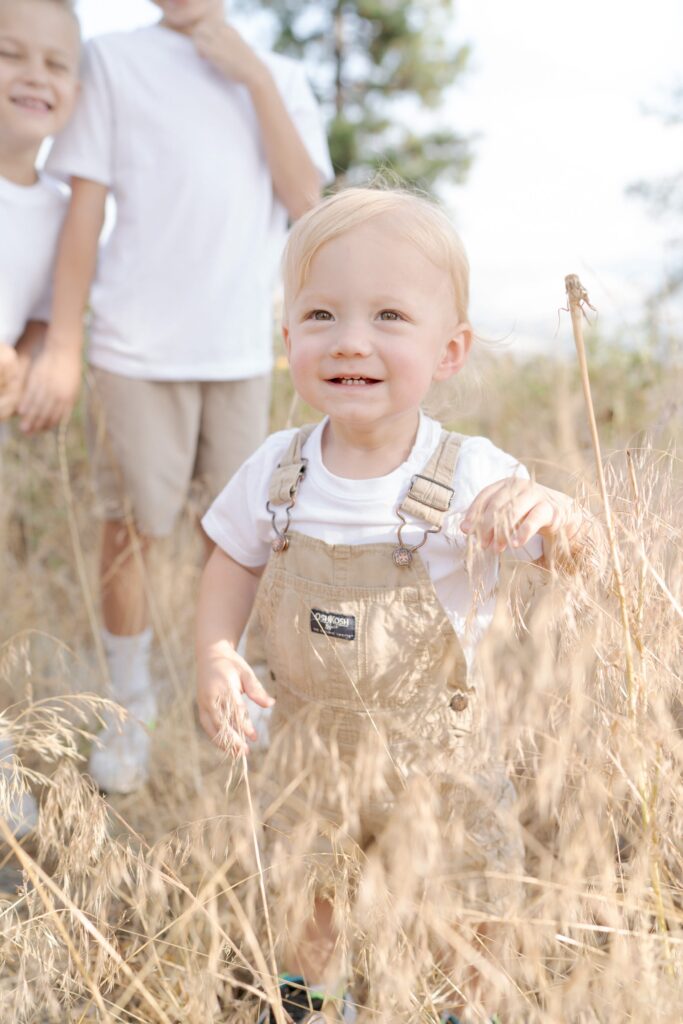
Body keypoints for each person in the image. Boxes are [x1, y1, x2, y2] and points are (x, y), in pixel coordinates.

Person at [195, 187, 603, 1023]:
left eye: (388, 315)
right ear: (287, 340)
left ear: (448, 350)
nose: (351, 341)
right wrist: (216, 651)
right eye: (320, 315)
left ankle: (461, 1010)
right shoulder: (279, 468)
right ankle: (319, 1007)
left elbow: (573, 559)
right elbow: (231, 557)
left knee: (465, 910)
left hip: (439, 756)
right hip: (312, 748)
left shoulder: (474, 471)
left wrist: (556, 515)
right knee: (312, 902)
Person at [17, 0, 333, 794]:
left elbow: (305, 199)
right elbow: (83, 210)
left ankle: (227, 689)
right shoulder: (115, 60)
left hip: (236, 357)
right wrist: (63, 343)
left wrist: (252, 76)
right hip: (134, 348)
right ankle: (130, 706)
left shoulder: (282, 77)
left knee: (238, 540)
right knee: (130, 530)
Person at [0, 0, 80, 836]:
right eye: (9, 54)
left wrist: (26, 352)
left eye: (57, 64)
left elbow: (39, 306)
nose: (34, 75)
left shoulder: (60, 204)